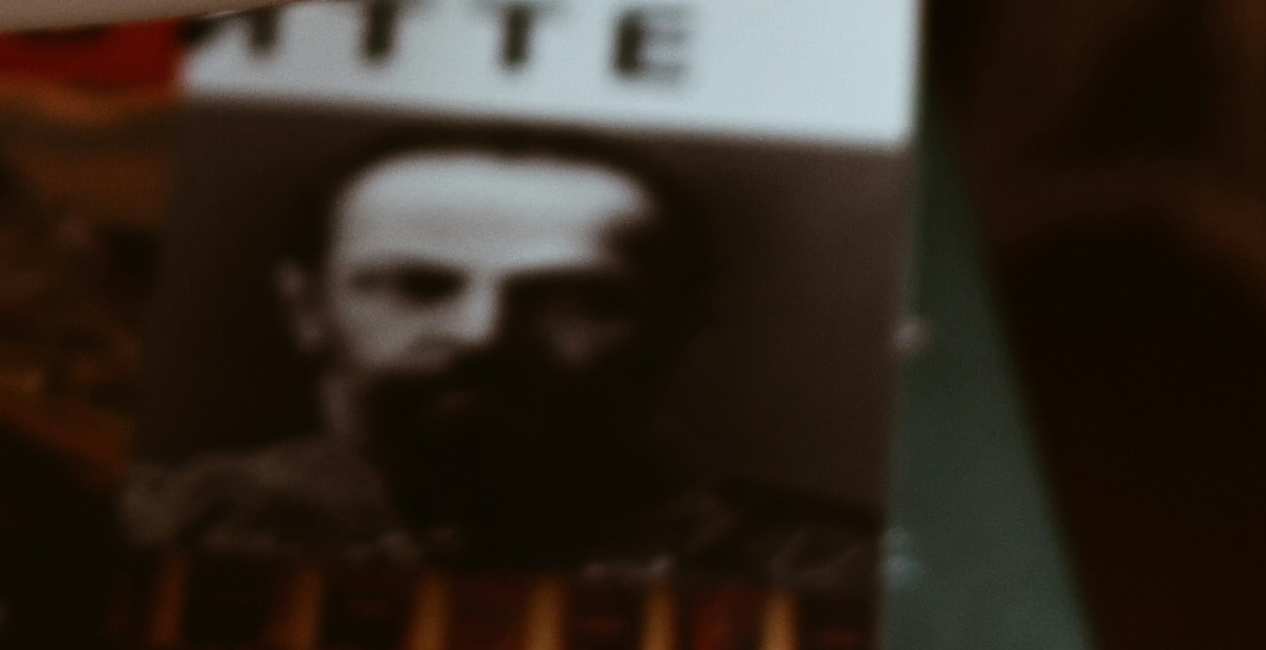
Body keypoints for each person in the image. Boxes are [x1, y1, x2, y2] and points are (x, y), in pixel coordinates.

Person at [120, 127, 867, 584]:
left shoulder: (831, 567)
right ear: (307, 309)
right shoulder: (150, 523)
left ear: (679, 329)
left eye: (569, 297)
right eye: (415, 285)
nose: (482, 333)